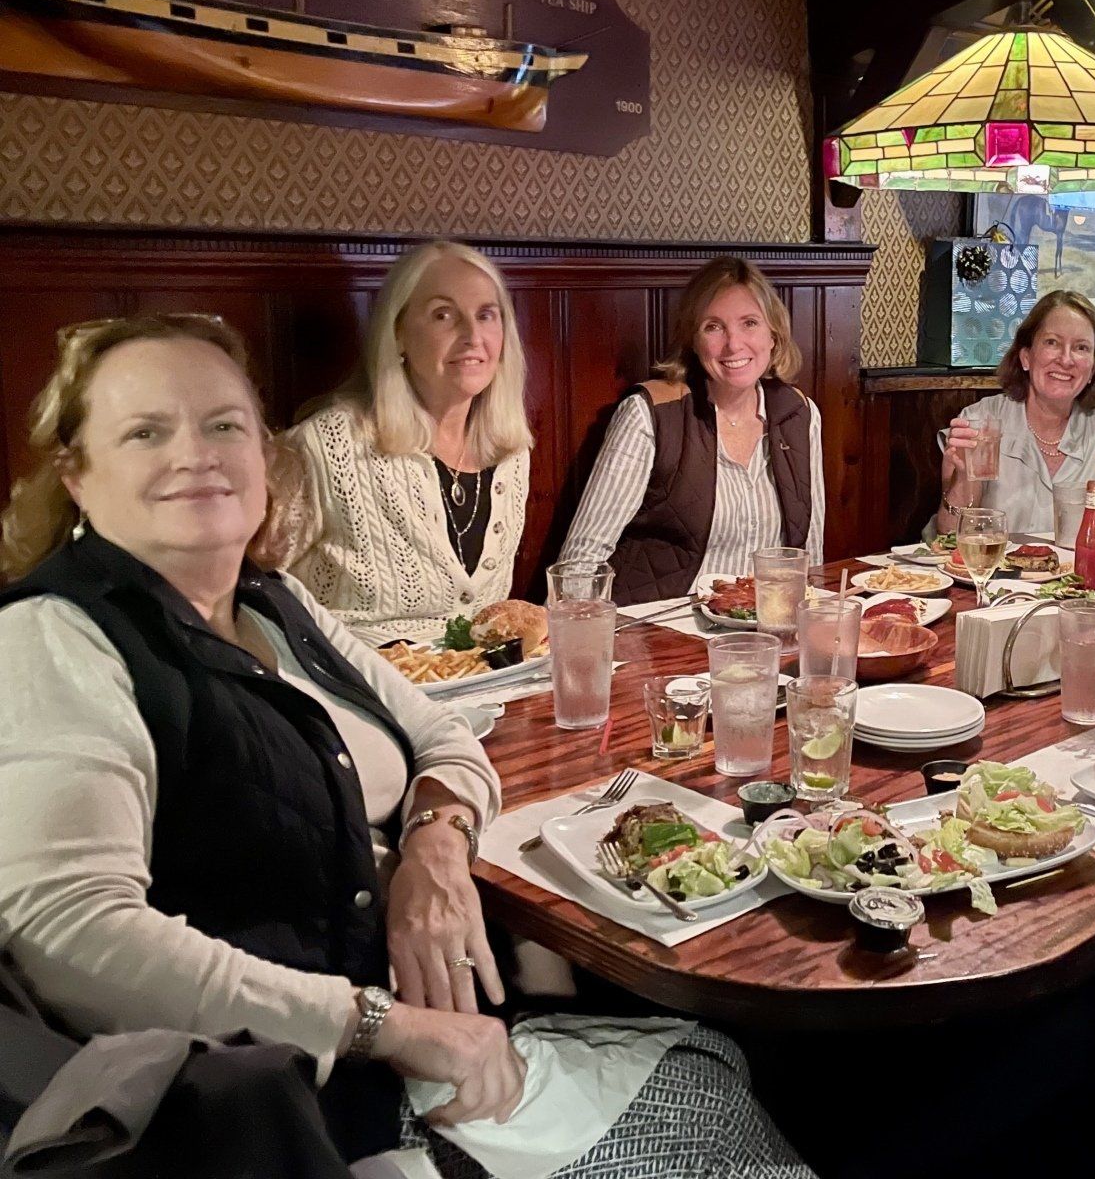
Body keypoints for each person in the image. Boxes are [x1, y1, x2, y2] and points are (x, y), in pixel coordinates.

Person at [0, 314, 813, 1177]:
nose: (196, 452)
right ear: (76, 476)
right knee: (710, 1120)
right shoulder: (54, 638)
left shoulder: (275, 603)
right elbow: (72, 938)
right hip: (300, 1108)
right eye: (145, 431)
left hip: (423, 1028)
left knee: (714, 1065)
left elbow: (447, 737)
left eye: (225, 424)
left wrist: (433, 845)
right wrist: (384, 1027)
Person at [287, 241, 533, 645]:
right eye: (443, 315)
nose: (473, 336)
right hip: (359, 691)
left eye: (486, 315)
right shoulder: (325, 446)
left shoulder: (510, 453)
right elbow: (255, 590)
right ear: (398, 333)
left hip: (488, 694)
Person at [559, 256, 824, 604]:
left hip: (767, 633)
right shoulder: (649, 414)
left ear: (774, 334)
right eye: (713, 327)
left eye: (750, 323)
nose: (733, 344)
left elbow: (811, 556)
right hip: (659, 637)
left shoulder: (800, 414)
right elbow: (579, 565)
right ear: (693, 341)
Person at [931, 289, 1095, 539]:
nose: (1066, 360)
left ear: (1094, 367)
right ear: (1026, 357)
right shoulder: (979, 421)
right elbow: (949, 536)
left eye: (1081, 347)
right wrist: (965, 477)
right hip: (992, 574)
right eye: (1052, 342)